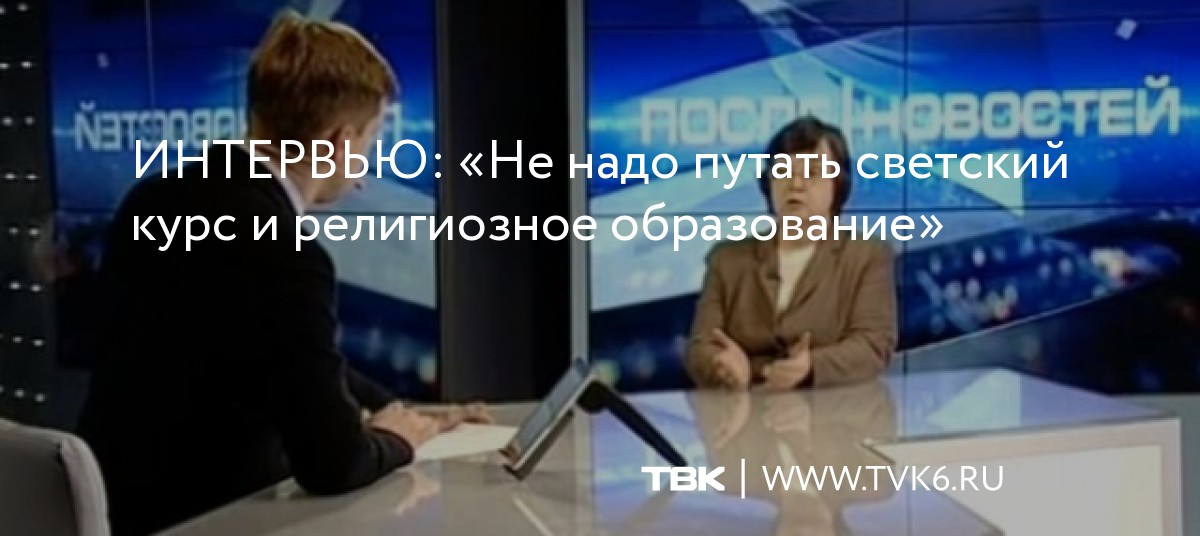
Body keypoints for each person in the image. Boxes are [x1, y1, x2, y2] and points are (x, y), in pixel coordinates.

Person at [76, 12, 486, 535]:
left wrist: (399, 410)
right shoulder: (284, 251)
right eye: (370, 142)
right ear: (338, 139)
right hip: (210, 517)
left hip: (116, 505)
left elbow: (288, 358)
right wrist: (399, 441)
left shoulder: (154, 197)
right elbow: (334, 465)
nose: (365, 171)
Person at [684, 116, 897, 390]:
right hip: (743, 409)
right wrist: (721, 365)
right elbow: (701, 347)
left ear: (838, 185)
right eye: (783, 171)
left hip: (835, 410)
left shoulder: (867, 256)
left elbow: (873, 345)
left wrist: (811, 366)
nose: (795, 184)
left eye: (811, 173)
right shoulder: (726, 259)